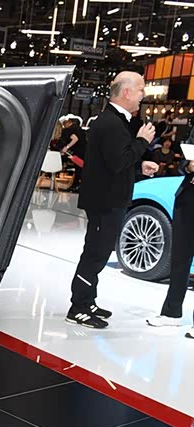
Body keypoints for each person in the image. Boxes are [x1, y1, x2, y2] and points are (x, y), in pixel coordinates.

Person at [67, 71, 159, 329]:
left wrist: (139, 166)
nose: (143, 95)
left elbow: (114, 161)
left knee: (98, 251)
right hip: (105, 201)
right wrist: (142, 141)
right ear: (126, 92)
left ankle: (88, 301)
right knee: (95, 254)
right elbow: (118, 161)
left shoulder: (113, 121)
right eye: (140, 89)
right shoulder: (111, 123)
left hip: (109, 199)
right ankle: (78, 307)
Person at [147, 129, 194, 338]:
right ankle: (171, 313)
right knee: (180, 258)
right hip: (188, 197)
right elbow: (184, 160)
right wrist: (189, 165)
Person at [59, 115, 86, 192]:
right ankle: (77, 185)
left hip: (78, 151)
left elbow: (75, 139)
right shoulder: (78, 128)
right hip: (83, 150)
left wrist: (66, 147)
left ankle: (76, 186)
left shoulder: (70, 129)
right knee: (80, 168)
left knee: (78, 169)